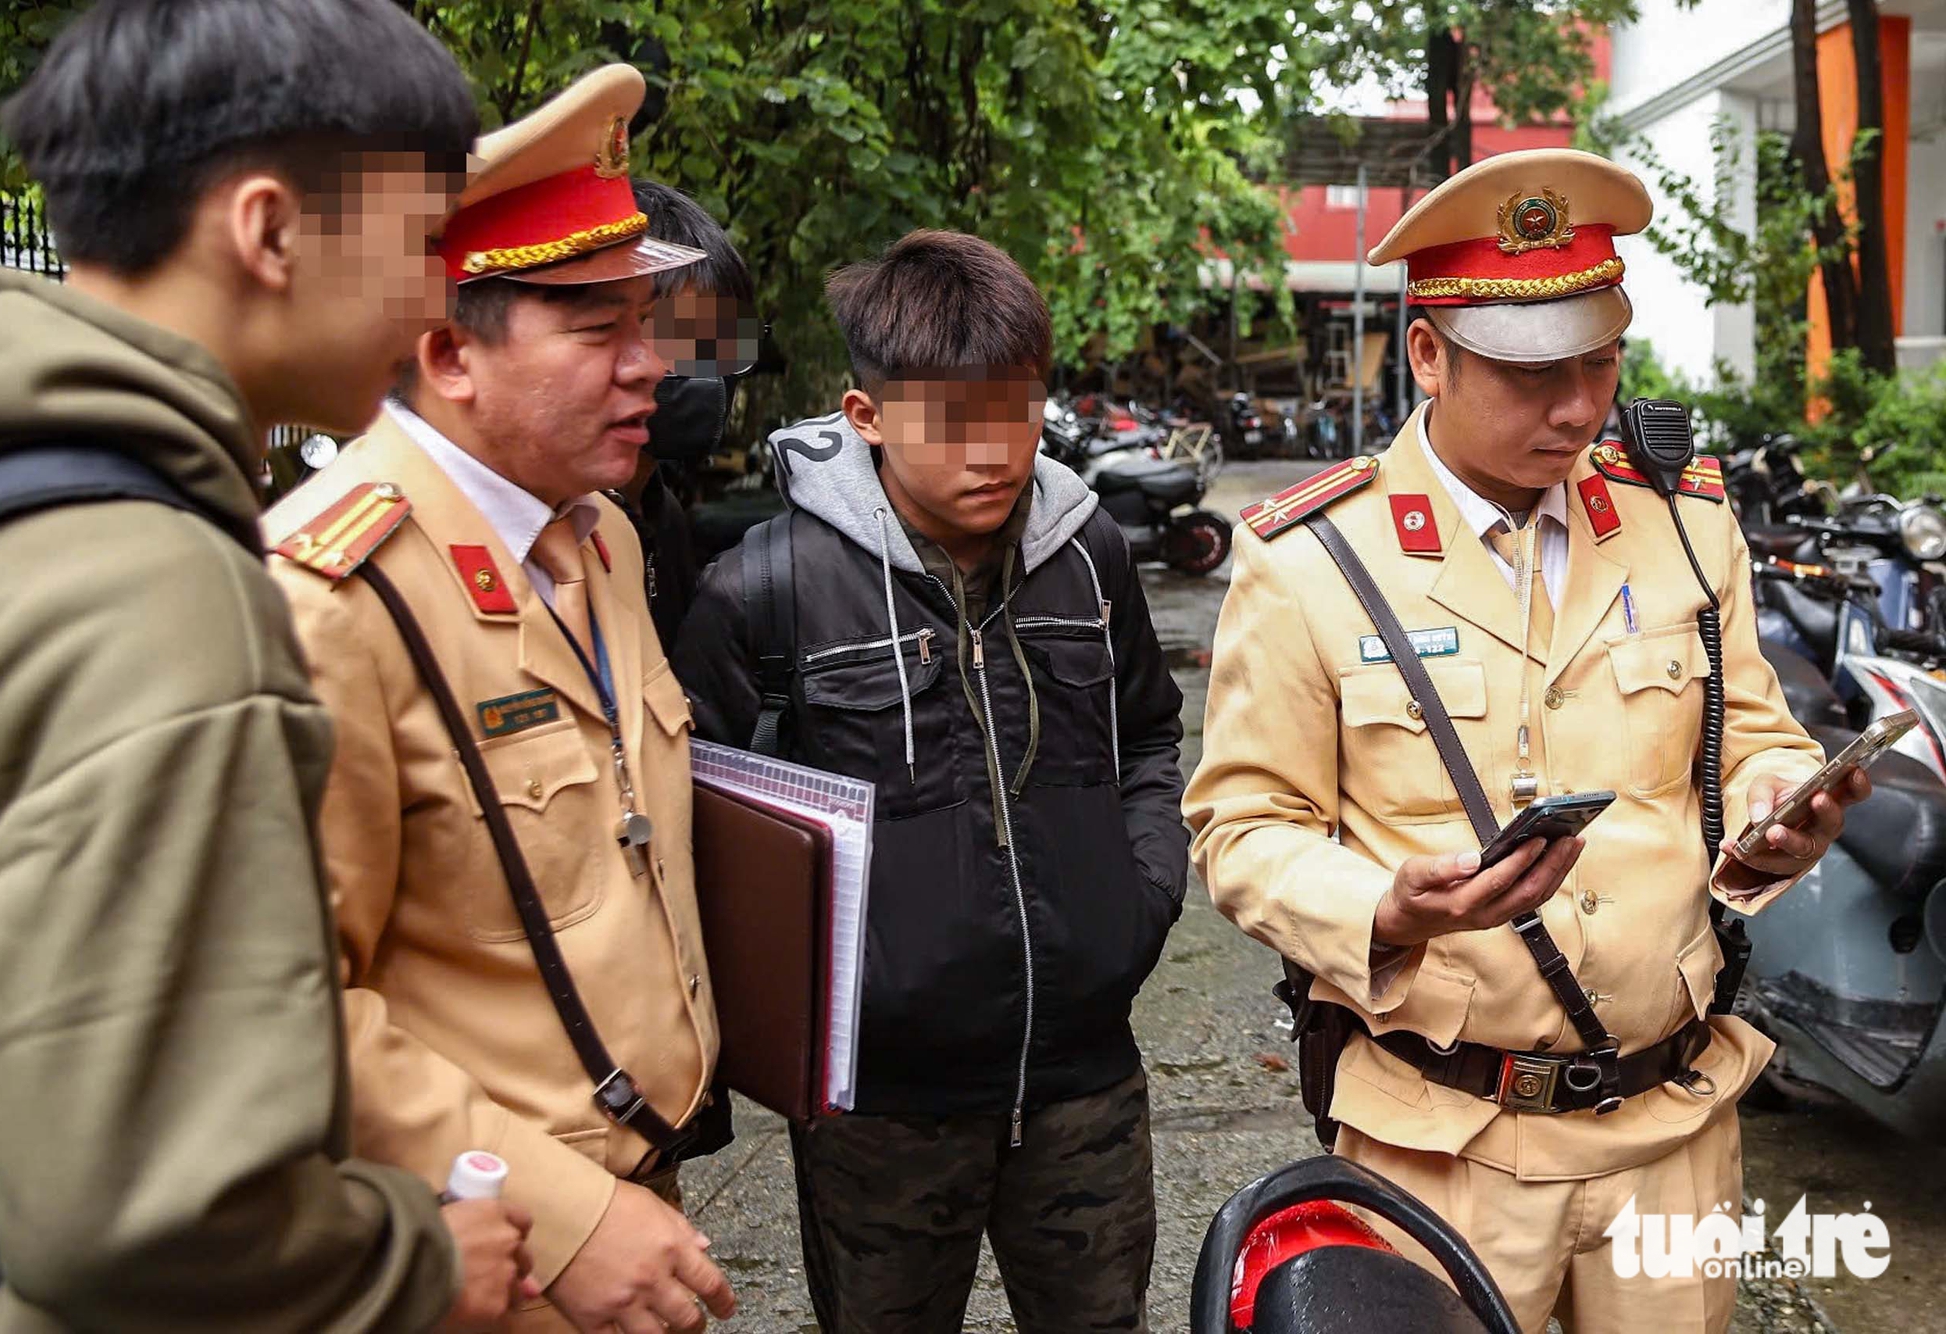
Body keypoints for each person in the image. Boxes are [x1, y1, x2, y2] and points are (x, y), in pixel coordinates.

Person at [1183, 147, 1869, 1333]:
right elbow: (1242, 829)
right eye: (1530, 373)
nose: (1576, 407)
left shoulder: (1682, 523)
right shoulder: (1311, 558)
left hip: (1669, 1129)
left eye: (1599, 361)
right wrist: (1383, 905)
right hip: (1437, 1141)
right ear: (1427, 353)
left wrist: (1777, 803)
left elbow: (1749, 730)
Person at [0, 1, 536, 1329]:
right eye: (420, 242)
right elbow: (156, 1216)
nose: (437, 300)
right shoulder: (153, 591)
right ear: (268, 231)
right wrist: (419, 1262)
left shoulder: (5, 479)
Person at [264, 64, 737, 1334]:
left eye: (648, 322)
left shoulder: (598, 537)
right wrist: (565, 1213)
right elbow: (282, 1005)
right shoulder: (332, 596)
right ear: (445, 352)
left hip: (641, 1200)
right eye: (598, 330)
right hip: (483, 1246)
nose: (652, 368)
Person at [673, 229, 1188, 1334]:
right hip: (880, 1107)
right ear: (866, 416)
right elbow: (698, 831)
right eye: (951, 422)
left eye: (1017, 410)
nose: (993, 452)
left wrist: (1137, 902)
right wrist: (825, 1003)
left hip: (1083, 1077)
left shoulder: (1087, 554)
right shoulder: (763, 591)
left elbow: (1149, 735)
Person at [620, 179, 759, 653]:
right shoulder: (560, 526)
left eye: (719, 339)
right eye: (676, 334)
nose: (705, 365)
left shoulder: (667, 522)